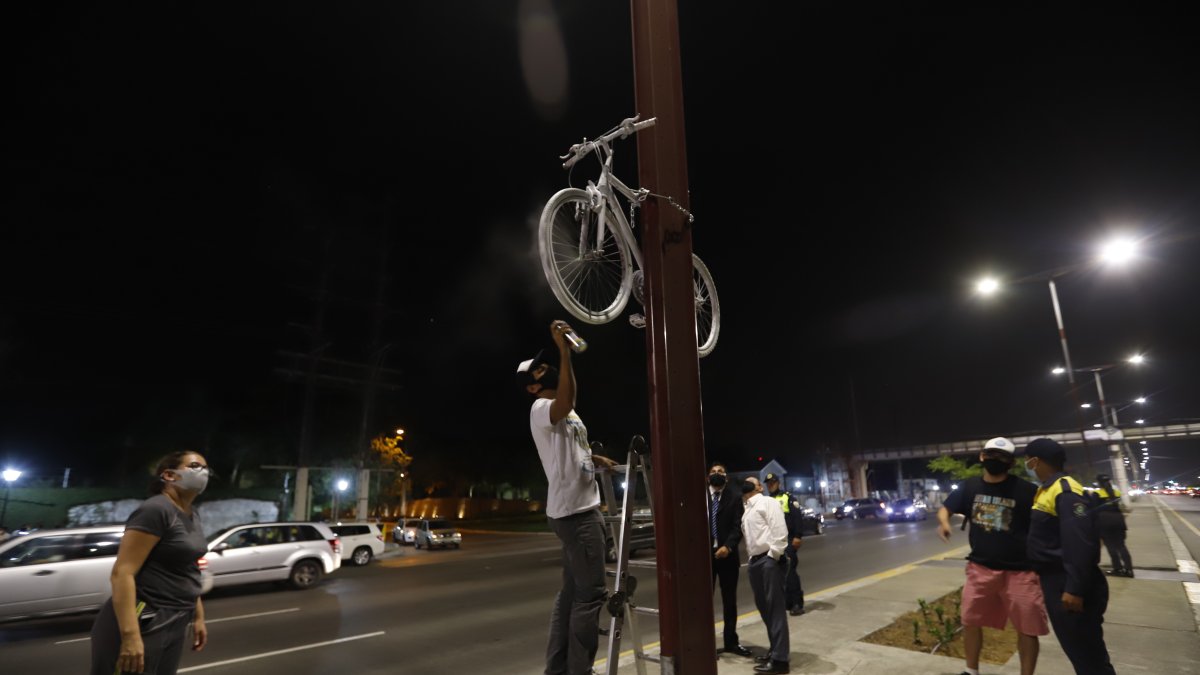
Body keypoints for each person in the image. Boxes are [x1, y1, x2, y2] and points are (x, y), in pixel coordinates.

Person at [516, 319, 617, 675]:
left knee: (572, 594)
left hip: (575, 510)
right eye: (540, 370)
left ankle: (558, 670)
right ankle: (580, 670)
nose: (547, 368)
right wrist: (564, 349)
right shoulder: (541, 409)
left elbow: (572, 448)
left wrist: (594, 458)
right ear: (532, 387)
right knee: (590, 598)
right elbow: (567, 396)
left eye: (547, 364)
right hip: (577, 515)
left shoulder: (566, 411)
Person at [90, 451, 211, 675]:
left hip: (177, 616)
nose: (203, 472)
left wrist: (198, 616)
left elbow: (189, 568)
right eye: (195, 466)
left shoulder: (192, 514)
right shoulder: (155, 510)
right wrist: (130, 636)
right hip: (145, 616)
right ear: (169, 475)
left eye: (206, 468)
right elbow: (122, 574)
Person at [937, 437, 1047, 675]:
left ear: (1011, 462)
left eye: (1002, 457)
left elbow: (1044, 525)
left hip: (1021, 571)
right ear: (981, 456)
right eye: (991, 455)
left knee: (1028, 628)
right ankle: (971, 671)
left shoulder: (1027, 491)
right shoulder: (970, 487)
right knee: (970, 621)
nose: (995, 460)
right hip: (981, 568)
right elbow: (946, 508)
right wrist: (944, 523)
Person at [1022, 438, 1116, 675]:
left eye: (1027, 461)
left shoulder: (1065, 491)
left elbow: (1080, 542)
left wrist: (1075, 588)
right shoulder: (1049, 489)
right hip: (1057, 581)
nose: (1026, 465)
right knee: (1080, 654)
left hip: (1068, 583)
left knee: (1089, 659)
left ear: (1035, 461)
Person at [740, 475, 790, 674]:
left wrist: (773, 556)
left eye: (752, 480)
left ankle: (780, 661)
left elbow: (779, 530)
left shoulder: (767, 502)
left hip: (769, 560)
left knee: (775, 610)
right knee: (765, 610)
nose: (747, 481)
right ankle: (775, 650)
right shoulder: (747, 510)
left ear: (759, 487)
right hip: (754, 562)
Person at [707, 462, 751, 657]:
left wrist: (728, 546)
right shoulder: (700, 497)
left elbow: (738, 525)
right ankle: (706, 644)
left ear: (727, 477)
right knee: (704, 603)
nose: (717, 474)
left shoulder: (734, 497)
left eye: (720, 472)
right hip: (705, 558)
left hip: (727, 556)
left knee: (729, 601)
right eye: (713, 472)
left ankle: (731, 642)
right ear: (708, 476)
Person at [764, 472, 805, 616]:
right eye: (768, 484)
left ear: (778, 483)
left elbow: (797, 517)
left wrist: (798, 536)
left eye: (773, 483)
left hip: (787, 540)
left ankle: (797, 604)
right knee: (779, 574)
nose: (771, 485)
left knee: (790, 572)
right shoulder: (767, 500)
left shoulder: (787, 497)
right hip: (773, 542)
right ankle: (787, 603)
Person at [1094, 473, 1133, 577]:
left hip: (1104, 521)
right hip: (1118, 520)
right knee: (1121, 545)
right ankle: (1129, 570)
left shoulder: (1097, 493)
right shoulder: (1116, 493)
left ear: (1099, 483)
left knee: (1110, 546)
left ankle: (1117, 568)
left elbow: (1093, 510)